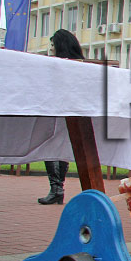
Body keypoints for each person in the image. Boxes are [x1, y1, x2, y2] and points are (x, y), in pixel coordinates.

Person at [38, 29, 85, 205]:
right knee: (57, 148)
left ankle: (57, 189)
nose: (51, 48)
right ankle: (57, 189)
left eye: (53, 44)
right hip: (62, 111)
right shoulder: (77, 64)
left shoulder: (68, 65)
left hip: (64, 112)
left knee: (54, 147)